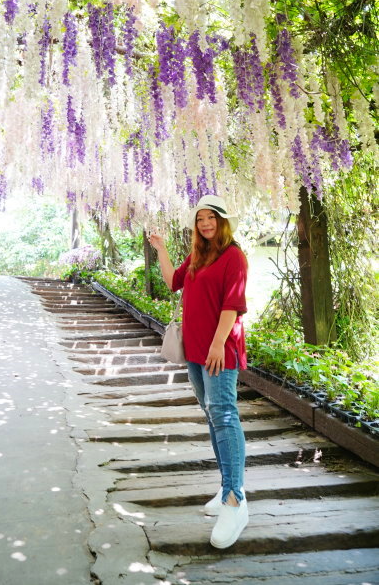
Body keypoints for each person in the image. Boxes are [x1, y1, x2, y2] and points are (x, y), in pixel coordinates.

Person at [149, 194, 248, 549]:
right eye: (200, 219)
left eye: (211, 218)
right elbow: (171, 281)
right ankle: (225, 487)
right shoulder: (198, 255)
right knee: (212, 415)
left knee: (224, 414)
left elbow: (232, 305)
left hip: (218, 350)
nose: (205, 224)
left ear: (222, 220)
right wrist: (160, 247)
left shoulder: (233, 255)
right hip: (194, 349)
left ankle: (236, 500)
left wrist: (218, 344)